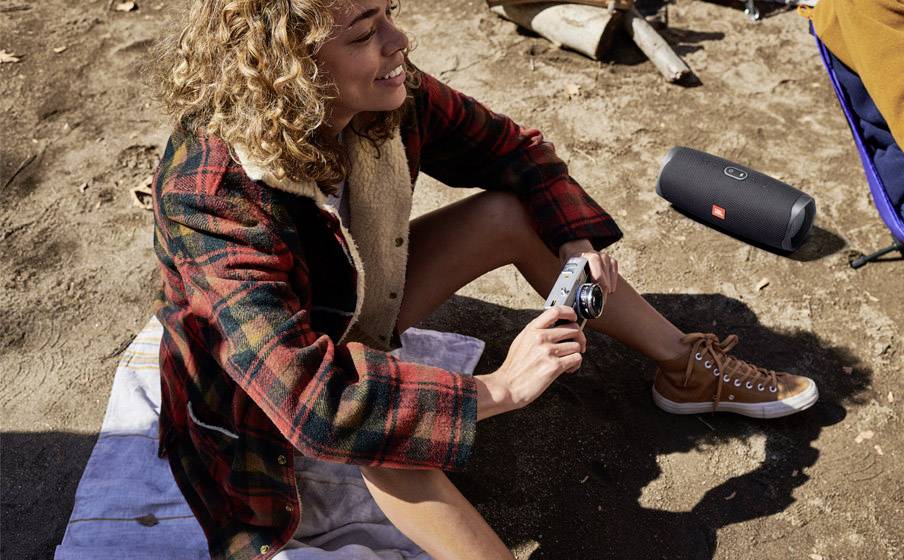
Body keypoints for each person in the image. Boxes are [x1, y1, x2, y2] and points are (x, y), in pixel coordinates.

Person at [151, 1, 819, 558]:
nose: (397, 40)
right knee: (386, 420)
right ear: (286, 70)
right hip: (262, 410)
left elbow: (515, 150)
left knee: (508, 213)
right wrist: (494, 389)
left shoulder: (390, 90)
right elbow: (318, 402)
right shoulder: (210, 193)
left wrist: (576, 244)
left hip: (351, 304)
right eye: (363, 33)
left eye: (389, 13)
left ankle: (682, 364)